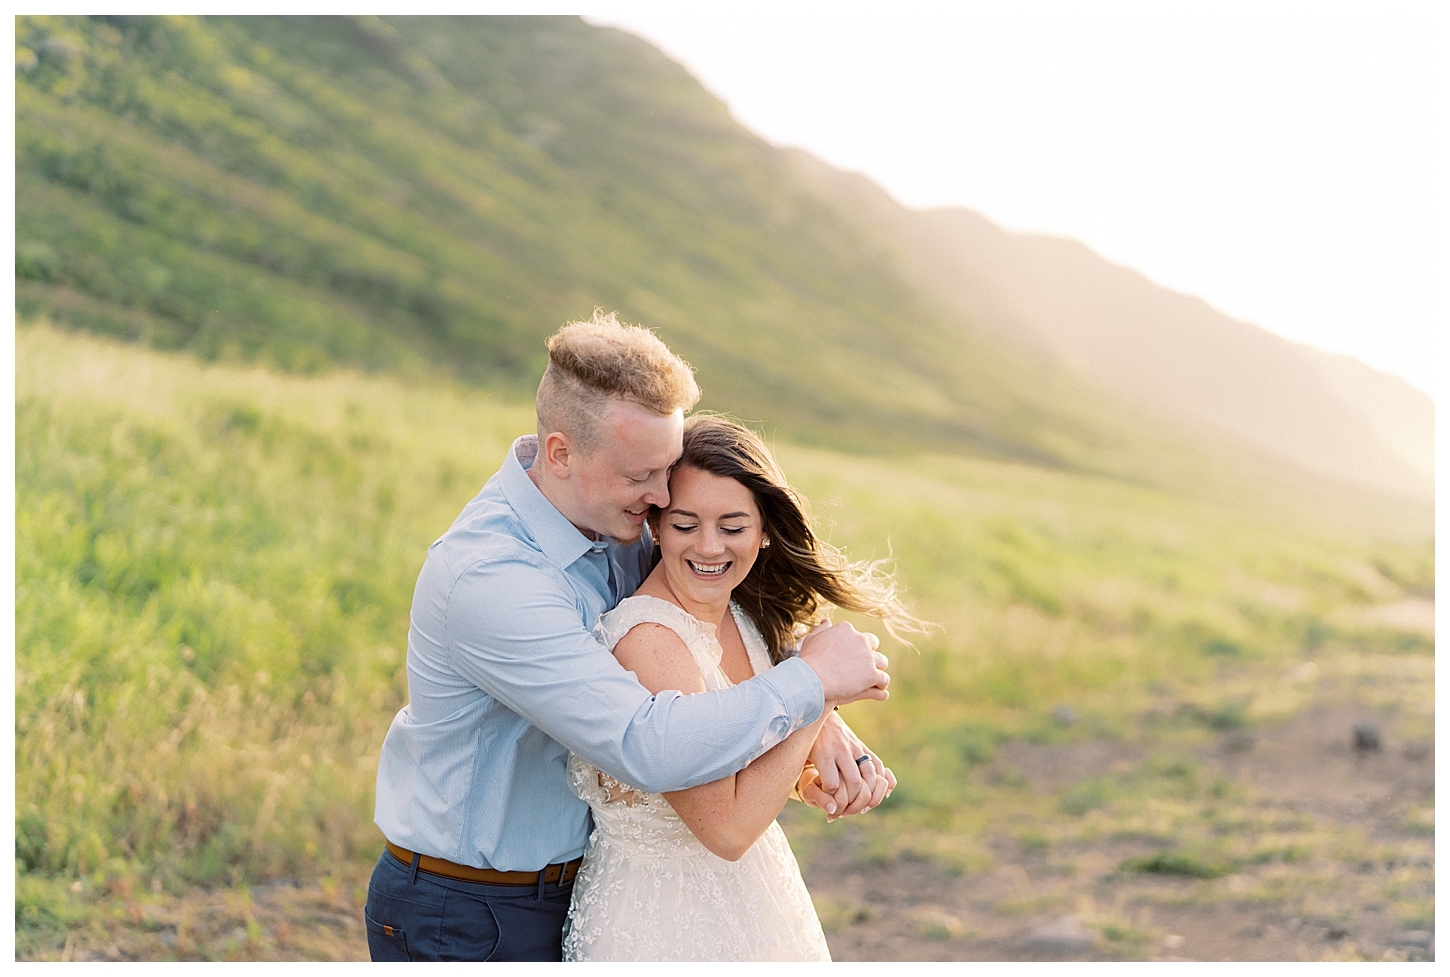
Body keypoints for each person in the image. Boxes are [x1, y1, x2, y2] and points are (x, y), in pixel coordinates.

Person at [365, 312, 896, 962]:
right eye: (640, 475)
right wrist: (810, 686)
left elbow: (710, 602)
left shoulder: (610, 518)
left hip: (582, 885)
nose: (660, 496)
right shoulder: (491, 578)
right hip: (468, 907)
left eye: (664, 469)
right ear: (560, 453)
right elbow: (647, 741)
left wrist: (817, 710)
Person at [563, 415, 929, 961]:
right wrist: (820, 692)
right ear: (656, 526)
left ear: (763, 531)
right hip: (661, 921)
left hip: (754, 901)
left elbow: (740, 765)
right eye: (685, 525)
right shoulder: (650, 642)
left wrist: (813, 779)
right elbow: (728, 828)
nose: (709, 548)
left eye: (732, 527)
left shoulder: (743, 615)